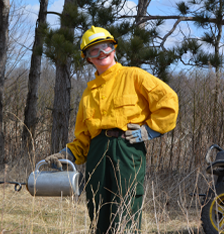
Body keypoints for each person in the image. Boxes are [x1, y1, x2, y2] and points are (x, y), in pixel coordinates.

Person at [45, 26, 179, 233]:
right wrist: (66, 155)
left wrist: (150, 131)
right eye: (93, 51)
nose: (101, 54)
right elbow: (83, 138)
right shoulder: (89, 94)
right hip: (97, 151)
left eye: (105, 47)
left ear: (114, 49)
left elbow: (168, 100)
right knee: (97, 207)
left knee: (126, 207)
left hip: (127, 149)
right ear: (87, 58)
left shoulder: (133, 76)